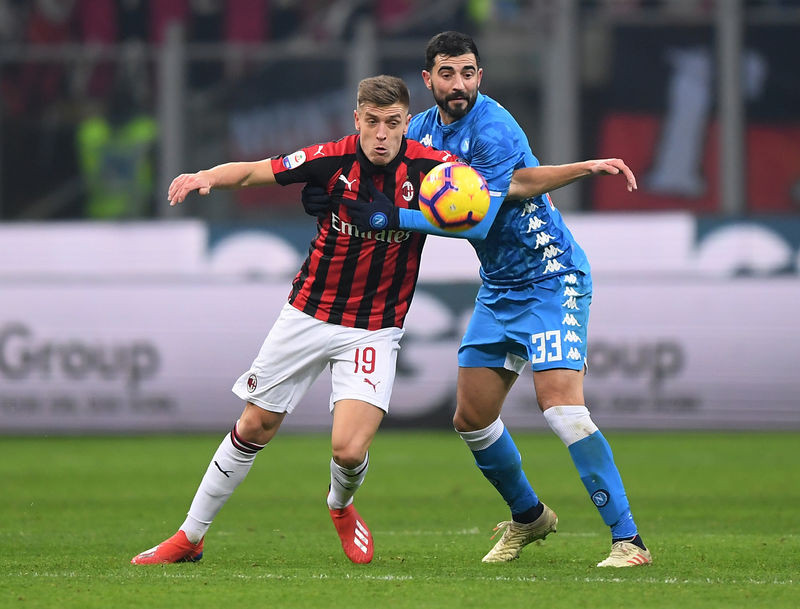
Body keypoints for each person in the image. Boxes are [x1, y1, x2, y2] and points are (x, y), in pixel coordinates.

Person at [328, 31, 651, 568]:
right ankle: (528, 517)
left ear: (481, 75)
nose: (460, 85)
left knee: (562, 409)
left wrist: (395, 217)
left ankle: (628, 541)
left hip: (552, 277)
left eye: (469, 72)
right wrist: (330, 185)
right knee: (472, 418)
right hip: (500, 287)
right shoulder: (421, 130)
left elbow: (479, 211)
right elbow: (374, 155)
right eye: (448, 74)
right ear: (428, 79)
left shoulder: (494, 126)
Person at [130, 75, 458, 565]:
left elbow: (486, 203)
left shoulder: (435, 170)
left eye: (393, 123)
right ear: (357, 121)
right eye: (373, 122)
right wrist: (206, 177)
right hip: (308, 312)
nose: (383, 134)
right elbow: (253, 173)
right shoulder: (330, 158)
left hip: (374, 326)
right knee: (254, 424)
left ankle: (340, 506)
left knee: (348, 451)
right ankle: (189, 536)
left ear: (407, 123)